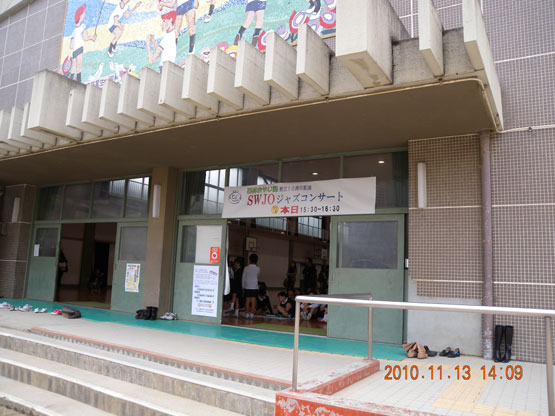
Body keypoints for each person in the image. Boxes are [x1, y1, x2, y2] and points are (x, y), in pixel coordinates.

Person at [70, 4, 97, 82]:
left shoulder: (74, 31)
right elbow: (85, 38)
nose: (84, 14)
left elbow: (71, 46)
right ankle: (79, 80)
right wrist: (92, 38)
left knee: (74, 65)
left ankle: (71, 78)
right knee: (79, 65)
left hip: (75, 50)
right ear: (80, 16)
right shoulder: (82, 27)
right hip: (79, 48)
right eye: (83, 13)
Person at [242, 253, 260, 319]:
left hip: (247, 286)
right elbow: (258, 276)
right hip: (254, 286)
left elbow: (243, 278)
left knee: (247, 301)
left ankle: (247, 314)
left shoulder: (246, 268)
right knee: (253, 301)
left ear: (249, 260)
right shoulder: (258, 268)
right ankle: (252, 314)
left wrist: (243, 286)